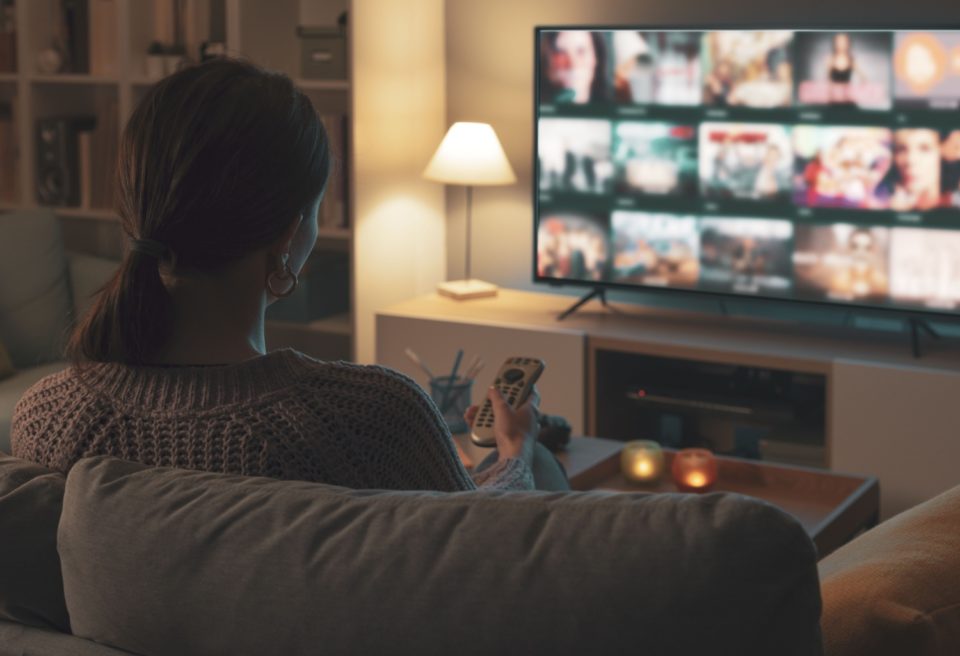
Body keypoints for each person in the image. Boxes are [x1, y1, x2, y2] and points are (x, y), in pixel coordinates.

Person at [12, 58, 568, 493]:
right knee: (545, 464)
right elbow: (480, 546)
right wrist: (515, 451)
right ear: (289, 236)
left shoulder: (49, 419)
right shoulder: (372, 416)